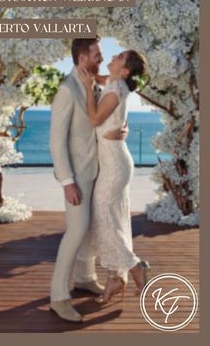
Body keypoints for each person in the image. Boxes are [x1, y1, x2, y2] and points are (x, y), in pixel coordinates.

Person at [49, 36, 128, 322]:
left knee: (90, 229)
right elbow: (56, 141)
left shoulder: (93, 83)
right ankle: (59, 296)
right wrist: (67, 181)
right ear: (83, 59)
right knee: (76, 231)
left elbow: (110, 109)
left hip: (99, 169)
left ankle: (84, 277)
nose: (101, 58)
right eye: (97, 55)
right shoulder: (67, 91)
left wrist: (121, 129)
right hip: (78, 176)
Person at [78, 49, 151, 304]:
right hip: (115, 160)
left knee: (105, 218)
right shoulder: (116, 83)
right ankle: (114, 278)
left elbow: (95, 119)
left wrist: (88, 89)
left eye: (119, 57)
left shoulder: (115, 88)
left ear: (125, 70)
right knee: (114, 220)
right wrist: (93, 78)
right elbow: (105, 82)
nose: (112, 56)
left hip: (114, 164)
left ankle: (135, 266)